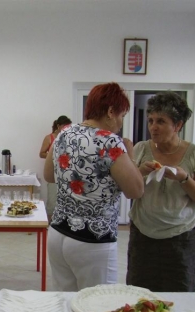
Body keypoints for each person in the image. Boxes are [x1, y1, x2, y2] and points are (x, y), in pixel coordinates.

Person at [44, 83, 144, 291]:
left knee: (65, 300)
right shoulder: (111, 142)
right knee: (98, 303)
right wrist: (131, 156)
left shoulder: (64, 133)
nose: (121, 123)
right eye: (122, 115)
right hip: (92, 238)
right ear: (110, 112)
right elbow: (135, 190)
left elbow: (49, 176)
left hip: (59, 232)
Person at [126, 91, 195, 292]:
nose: (153, 127)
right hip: (143, 235)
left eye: (161, 121)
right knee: (139, 295)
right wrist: (139, 172)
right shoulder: (141, 149)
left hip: (181, 237)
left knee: (179, 296)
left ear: (178, 125)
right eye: (151, 120)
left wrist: (184, 179)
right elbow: (130, 192)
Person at [39, 115, 72, 218]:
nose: (67, 128)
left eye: (69, 126)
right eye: (65, 126)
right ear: (58, 126)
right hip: (53, 174)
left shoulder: (69, 137)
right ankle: (49, 223)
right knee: (52, 201)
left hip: (67, 174)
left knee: (67, 201)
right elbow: (41, 153)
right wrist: (54, 156)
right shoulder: (49, 138)